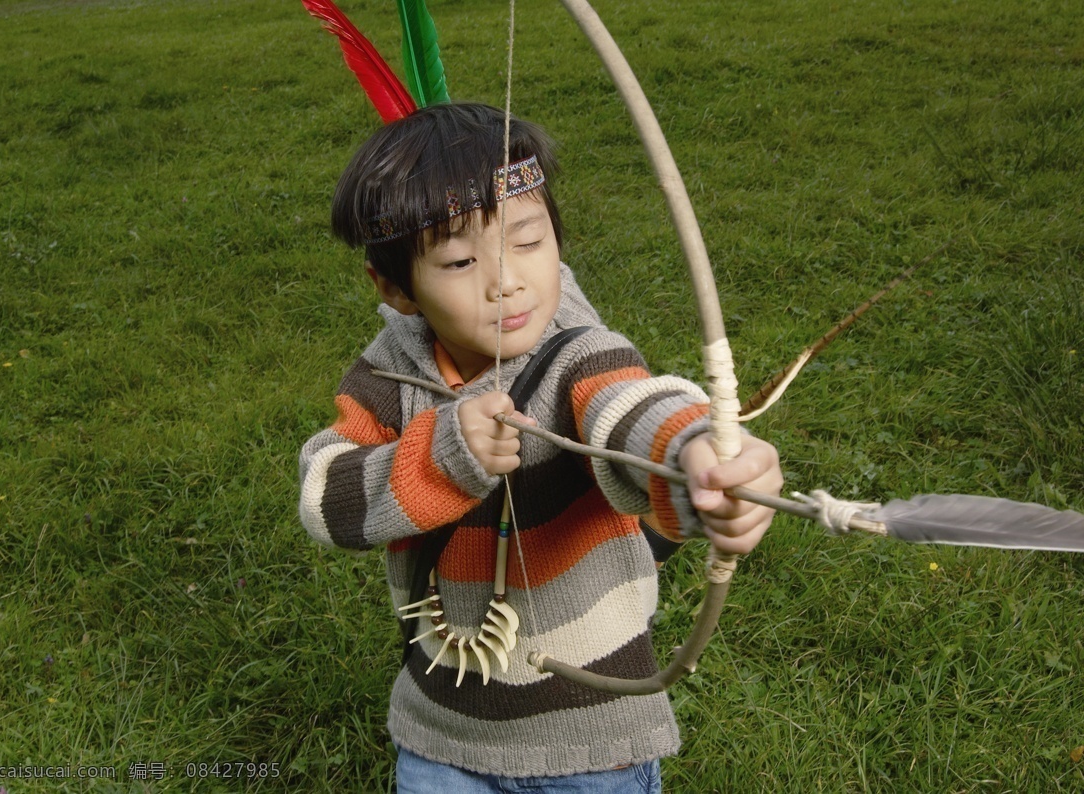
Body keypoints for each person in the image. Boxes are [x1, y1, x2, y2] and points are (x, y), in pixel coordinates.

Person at [299, 101, 784, 792]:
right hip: (442, 735)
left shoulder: (580, 355)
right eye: (461, 259)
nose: (507, 279)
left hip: (595, 742)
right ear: (396, 289)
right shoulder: (386, 378)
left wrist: (698, 457)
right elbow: (326, 496)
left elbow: (633, 410)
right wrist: (440, 453)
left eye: (528, 239)